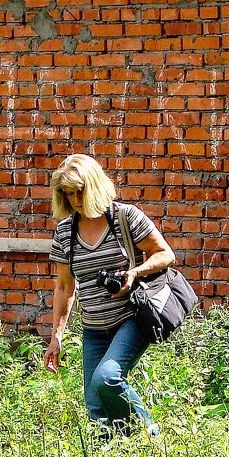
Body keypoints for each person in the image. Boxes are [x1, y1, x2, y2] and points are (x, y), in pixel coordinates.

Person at [43, 153, 176, 437]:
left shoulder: (124, 217)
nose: (75, 200)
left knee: (106, 379)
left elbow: (166, 254)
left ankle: (152, 436)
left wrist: (134, 273)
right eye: (68, 194)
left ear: (94, 186)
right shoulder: (65, 232)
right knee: (97, 411)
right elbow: (65, 286)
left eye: (80, 191)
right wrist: (57, 337)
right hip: (93, 327)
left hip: (129, 319)